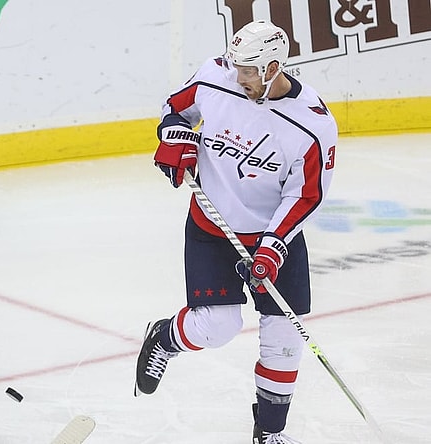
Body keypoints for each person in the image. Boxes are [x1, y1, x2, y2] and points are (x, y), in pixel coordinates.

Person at [134, 20, 337, 444]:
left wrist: (272, 248)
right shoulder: (216, 76)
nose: (238, 75)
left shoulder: (312, 124)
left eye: (249, 69)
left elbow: (306, 196)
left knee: (284, 338)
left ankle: (269, 432)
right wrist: (174, 140)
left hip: (272, 236)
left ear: (273, 67)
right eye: (237, 65)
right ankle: (165, 337)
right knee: (218, 327)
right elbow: (176, 108)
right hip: (212, 227)